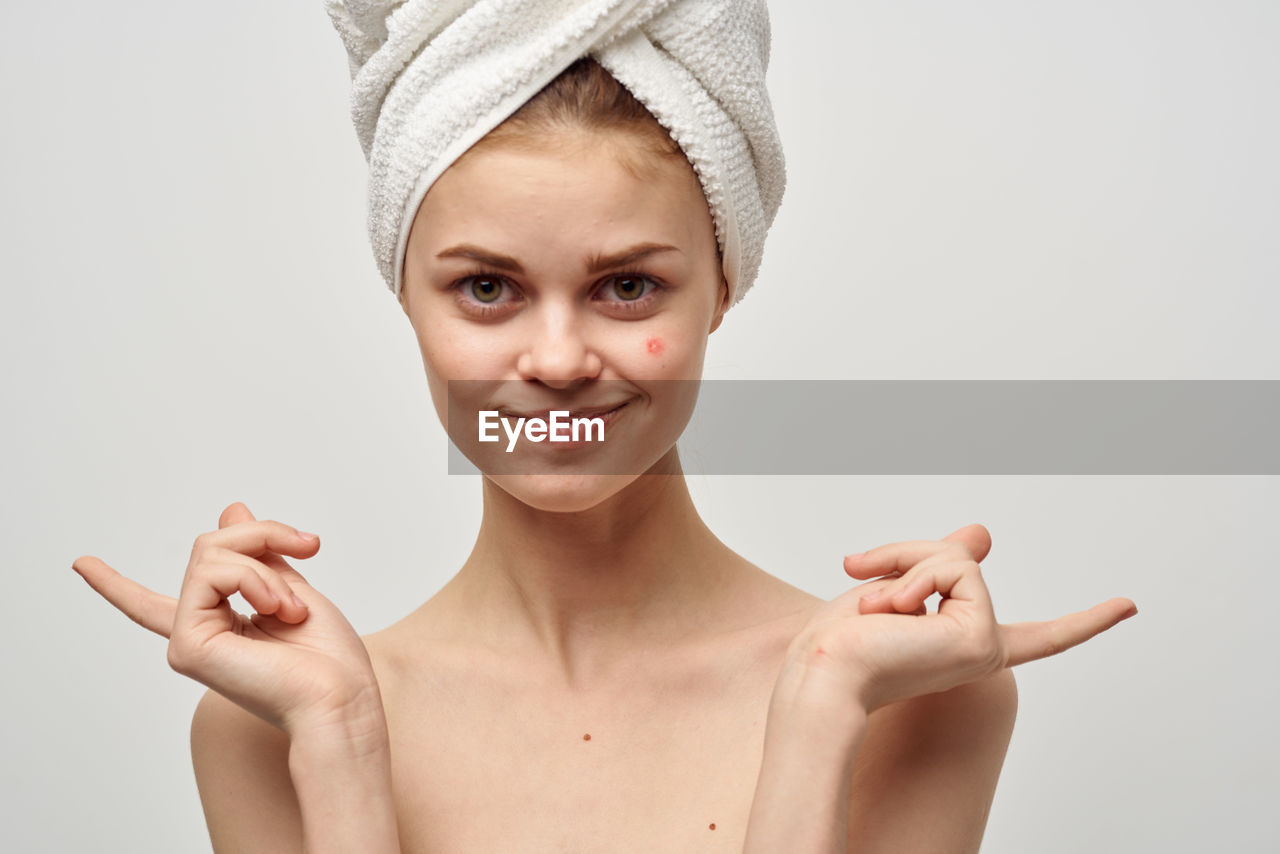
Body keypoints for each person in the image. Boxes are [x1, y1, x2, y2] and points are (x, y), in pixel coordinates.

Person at [71, 44, 1137, 854]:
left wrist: (815, 714)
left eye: (625, 285)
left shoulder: (912, 697)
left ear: (721, 282)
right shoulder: (271, 722)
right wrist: (342, 741)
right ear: (403, 293)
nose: (557, 357)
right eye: (484, 287)